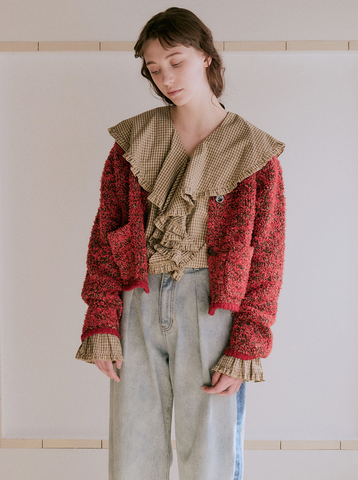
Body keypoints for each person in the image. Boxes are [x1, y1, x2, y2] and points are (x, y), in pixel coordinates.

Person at [75, 7, 286, 480]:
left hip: (214, 308)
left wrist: (246, 345)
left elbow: (268, 258)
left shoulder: (253, 152)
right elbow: (106, 237)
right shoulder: (133, 141)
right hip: (138, 301)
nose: (166, 78)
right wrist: (102, 321)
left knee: (210, 457)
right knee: (132, 454)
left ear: (206, 56)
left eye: (176, 61)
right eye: (154, 69)